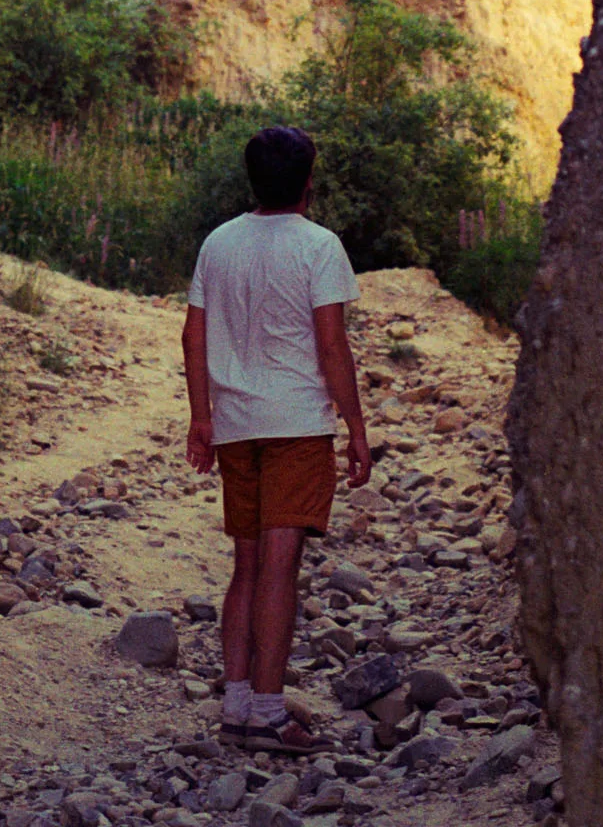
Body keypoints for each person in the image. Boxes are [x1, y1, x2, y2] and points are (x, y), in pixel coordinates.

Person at [182, 126, 371, 755]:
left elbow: (194, 335)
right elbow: (332, 345)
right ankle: (266, 713)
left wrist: (201, 417)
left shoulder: (218, 243)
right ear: (309, 182)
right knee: (280, 570)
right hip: (295, 425)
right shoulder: (320, 247)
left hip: (236, 426)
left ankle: (236, 707)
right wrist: (356, 425)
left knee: (246, 566)